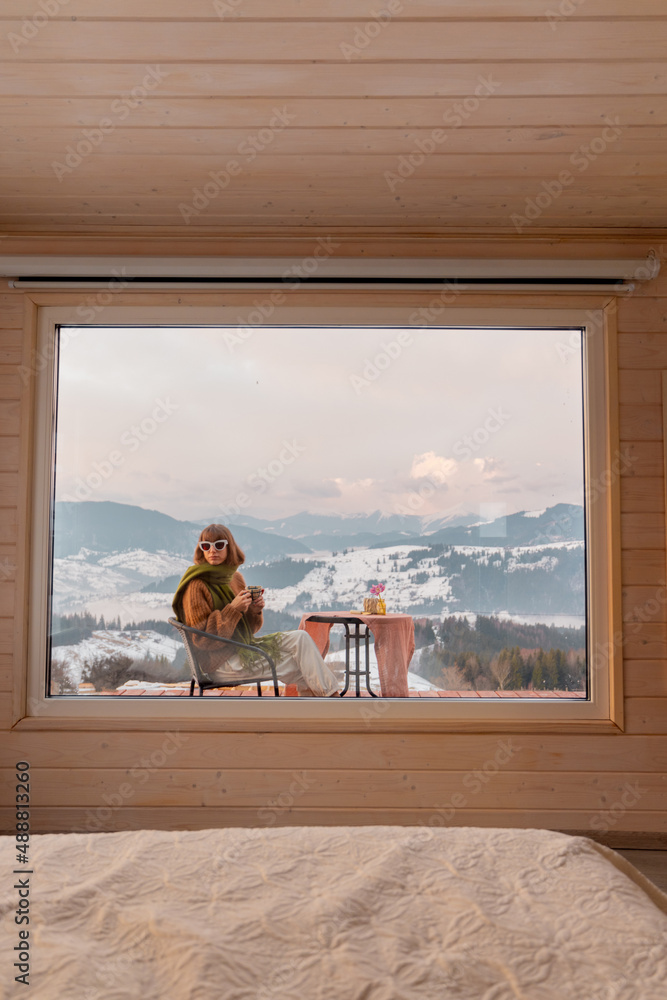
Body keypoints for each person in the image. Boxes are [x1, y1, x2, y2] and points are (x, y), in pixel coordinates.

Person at [172, 524, 340, 697]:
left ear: (229, 547)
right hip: (220, 664)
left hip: (241, 648)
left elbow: (249, 630)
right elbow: (201, 640)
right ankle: (330, 702)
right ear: (201, 550)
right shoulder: (196, 585)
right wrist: (233, 610)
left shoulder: (234, 578)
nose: (212, 550)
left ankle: (319, 706)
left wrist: (254, 611)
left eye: (219, 545)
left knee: (301, 637)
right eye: (206, 546)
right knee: (301, 665)